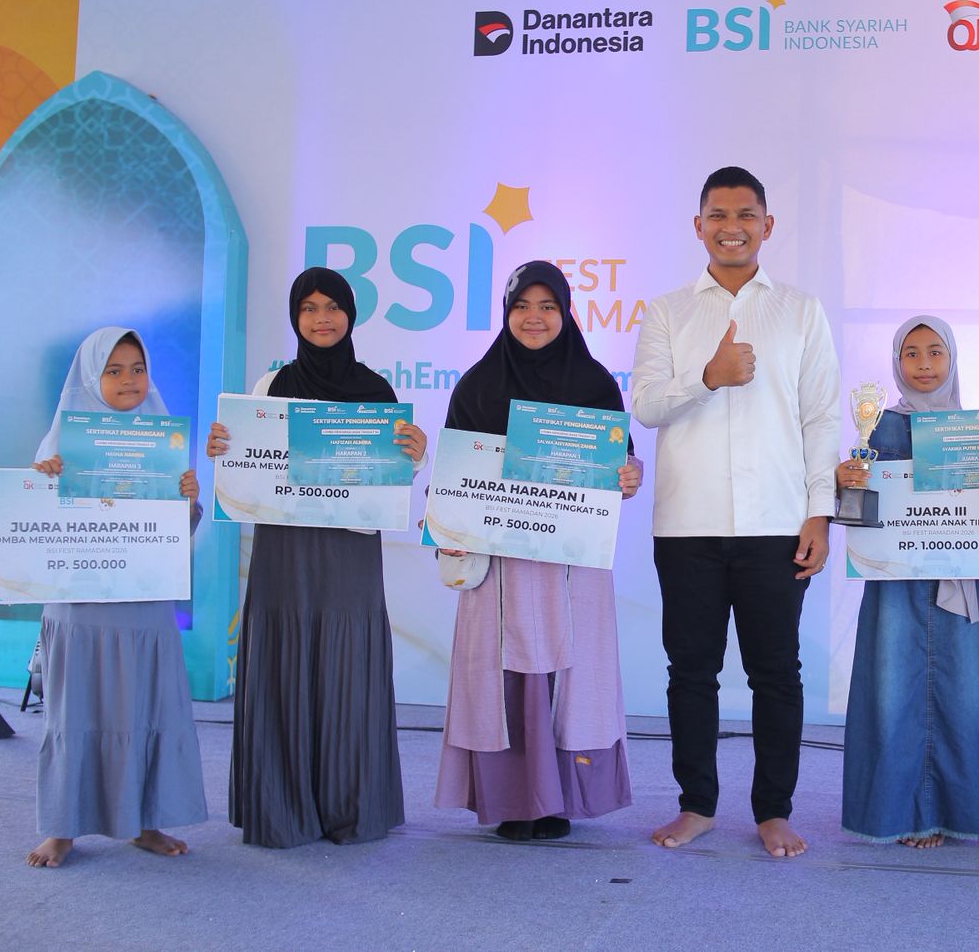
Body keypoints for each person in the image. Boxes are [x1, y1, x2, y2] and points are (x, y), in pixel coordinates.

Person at [631, 166, 840, 858]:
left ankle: (773, 810)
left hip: (777, 524)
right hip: (686, 526)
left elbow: (821, 418)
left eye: (746, 214)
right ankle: (696, 805)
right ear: (698, 226)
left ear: (767, 225)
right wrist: (708, 377)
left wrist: (819, 515)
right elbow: (647, 406)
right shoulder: (666, 312)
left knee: (776, 674)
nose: (732, 226)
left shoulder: (801, 310)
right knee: (690, 672)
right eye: (718, 214)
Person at [206, 267, 427, 848]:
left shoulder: (377, 391)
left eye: (333, 306)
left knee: (347, 663)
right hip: (286, 547)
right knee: (285, 658)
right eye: (308, 307)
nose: (322, 318)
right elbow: (248, 464)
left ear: (351, 315)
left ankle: (348, 806)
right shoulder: (269, 387)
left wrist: (415, 453)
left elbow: (392, 478)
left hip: (350, 549)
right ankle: (283, 807)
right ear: (294, 317)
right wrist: (223, 450)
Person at [435, 260, 643, 841]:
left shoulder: (595, 383)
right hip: (500, 565)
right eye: (522, 306)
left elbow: (620, 462)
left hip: (571, 564)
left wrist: (629, 475)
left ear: (566, 312)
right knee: (503, 672)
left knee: (570, 671)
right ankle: (513, 801)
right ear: (506, 313)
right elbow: (454, 476)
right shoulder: (477, 386)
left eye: (548, 306)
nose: (534, 317)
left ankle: (558, 800)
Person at [25, 328, 206, 867]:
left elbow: (179, 536)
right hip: (80, 606)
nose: (129, 380)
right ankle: (62, 827)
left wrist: (188, 503)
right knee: (73, 707)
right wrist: (43, 483)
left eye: (137, 368)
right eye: (114, 370)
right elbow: (35, 528)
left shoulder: (161, 439)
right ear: (89, 377)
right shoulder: (59, 446)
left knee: (145, 705)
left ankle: (144, 823)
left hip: (144, 603)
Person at [836, 316, 979, 848]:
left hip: (956, 579)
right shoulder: (877, 427)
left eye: (935, 352)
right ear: (896, 362)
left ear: (952, 359)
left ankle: (951, 811)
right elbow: (861, 515)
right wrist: (848, 482)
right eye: (911, 353)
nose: (924, 364)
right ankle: (900, 813)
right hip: (894, 583)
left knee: (962, 692)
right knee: (892, 691)